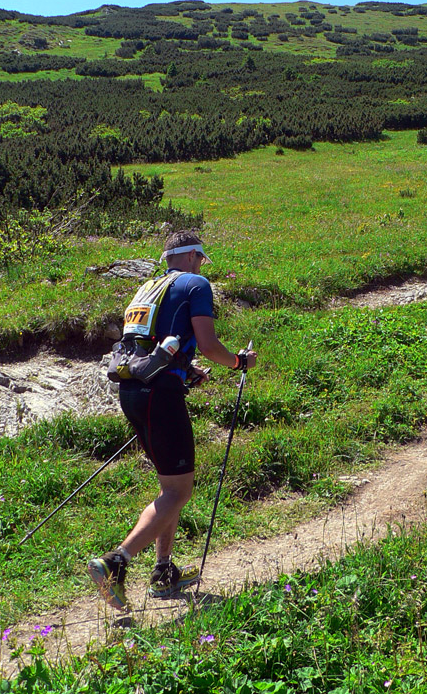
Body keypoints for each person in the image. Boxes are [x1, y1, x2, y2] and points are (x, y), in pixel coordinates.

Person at [88, 230, 257, 609]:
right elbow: (209, 344)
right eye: (201, 260)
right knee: (179, 491)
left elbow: (145, 346)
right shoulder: (196, 284)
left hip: (133, 391)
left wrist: (184, 368)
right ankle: (115, 562)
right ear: (193, 255)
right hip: (160, 396)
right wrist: (239, 362)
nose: (202, 266)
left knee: (170, 486)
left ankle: (163, 571)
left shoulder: (148, 288)